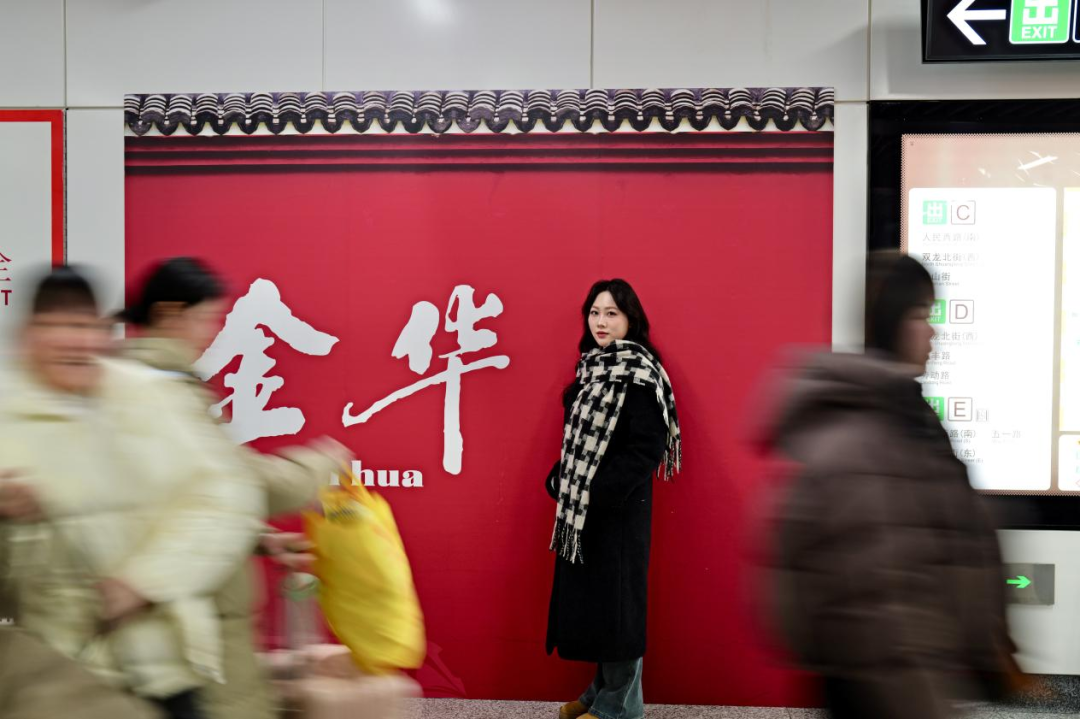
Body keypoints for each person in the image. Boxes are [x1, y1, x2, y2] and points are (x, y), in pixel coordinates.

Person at [0, 266, 268, 719]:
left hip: (165, 663)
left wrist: (145, 582)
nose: (75, 342)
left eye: (85, 326)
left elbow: (226, 496)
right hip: (58, 679)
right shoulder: (7, 413)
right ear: (29, 334)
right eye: (57, 326)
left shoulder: (149, 397)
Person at [764, 253, 1018, 719]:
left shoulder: (914, 423)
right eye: (921, 314)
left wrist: (990, 645)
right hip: (890, 695)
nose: (933, 332)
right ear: (891, 322)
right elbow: (885, 611)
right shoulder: (866, 440)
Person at [120, 257, 352, 719]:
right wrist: (322, 464)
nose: (209, 333)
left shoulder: (145, 382)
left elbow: (185, 495)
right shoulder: (159, 391)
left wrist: (256, 537)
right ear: (169, 313)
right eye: (206, 318)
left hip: (183, 606)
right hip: (192, 617)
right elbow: (243, 483)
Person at [546, 279, 681, 719]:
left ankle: (619, 707)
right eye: (594, 312)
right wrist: (561, 478)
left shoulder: (641, 374)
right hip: (584, 511)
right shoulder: (591, 368)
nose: (600, 322)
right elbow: (577, 444)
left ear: (630, 319)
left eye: (611, 313)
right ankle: (601, 694)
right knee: (601, 610)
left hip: (618, 513)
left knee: (620, 610)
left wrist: (598, 490)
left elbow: (646, 447)